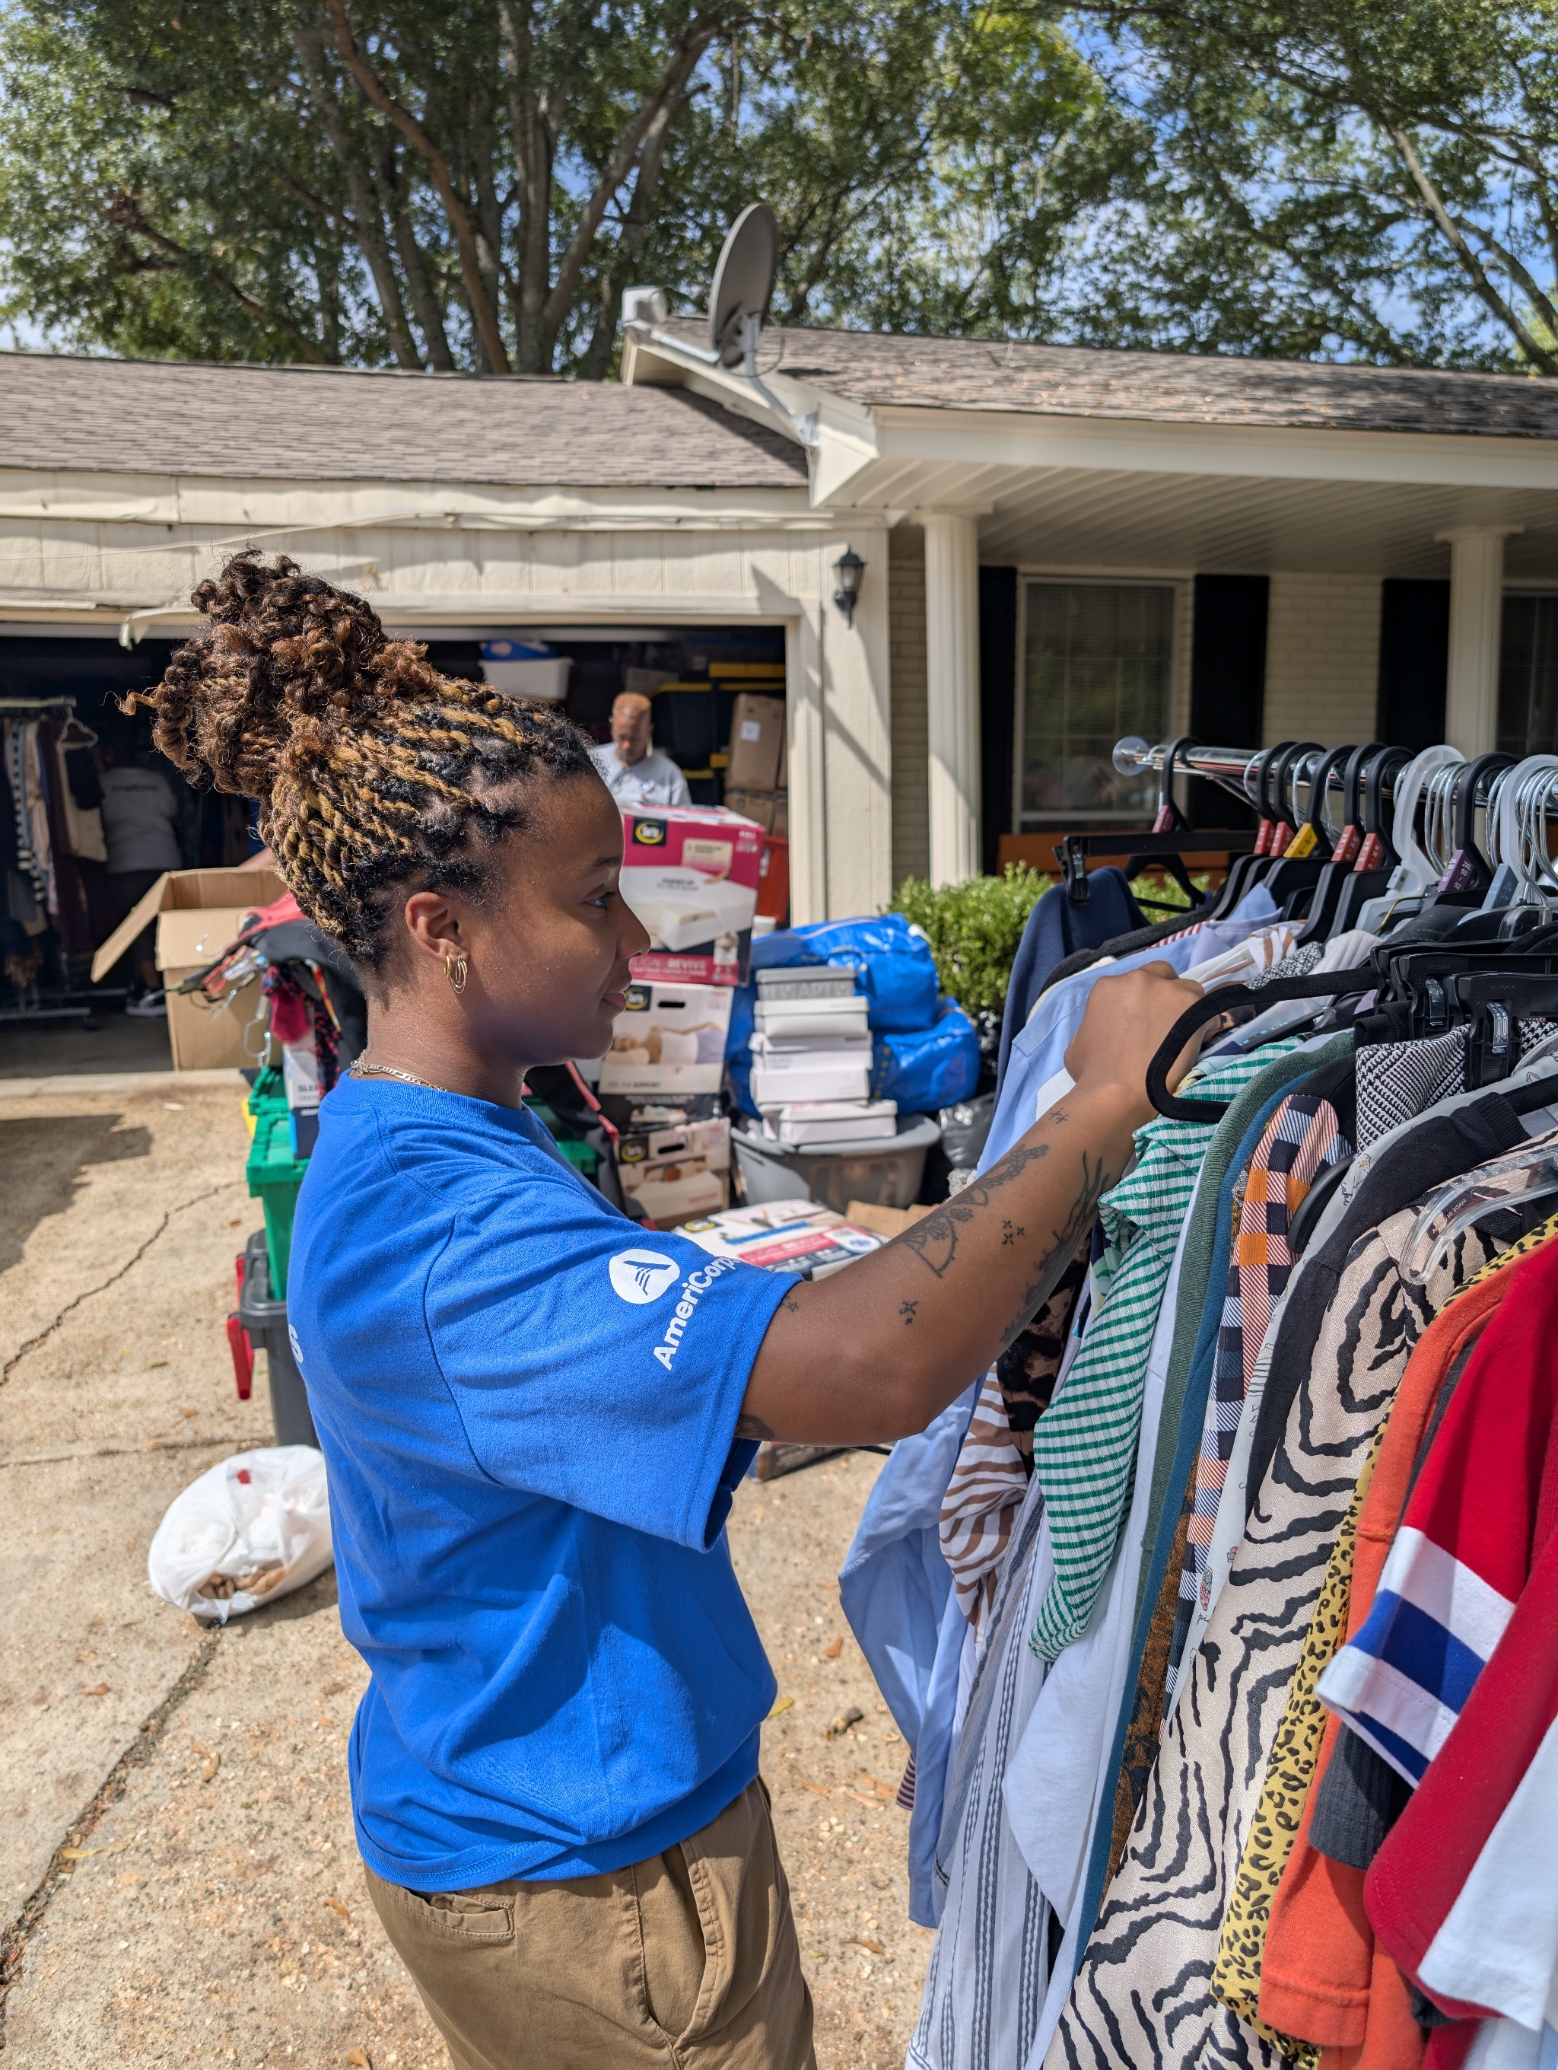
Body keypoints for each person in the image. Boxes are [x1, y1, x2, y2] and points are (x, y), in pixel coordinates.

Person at [127, 551, 1202, 2070]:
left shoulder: (457, 1132)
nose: (632, 940)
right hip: (586, 1874)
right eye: (591, 899)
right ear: (438, 926)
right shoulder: (438, 1220)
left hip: (567, 1819)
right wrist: (1100, 1105)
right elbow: (863, 1369)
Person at [97, 739, 184, 1013]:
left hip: (126, 862)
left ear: (109, 754)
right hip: (165, 859)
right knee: (168, 924)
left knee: (136, 928)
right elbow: (172, 817)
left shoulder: (102, 783)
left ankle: (154, 989)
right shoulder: (156, 779)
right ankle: (175, 981)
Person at [589, 688, 692, 807]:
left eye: (635, 739)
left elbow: (682, 821)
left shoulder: (669, 775)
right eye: (621, 737)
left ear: (649, 731)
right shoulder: (590, 762)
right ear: (612, 725)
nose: (627, 746)